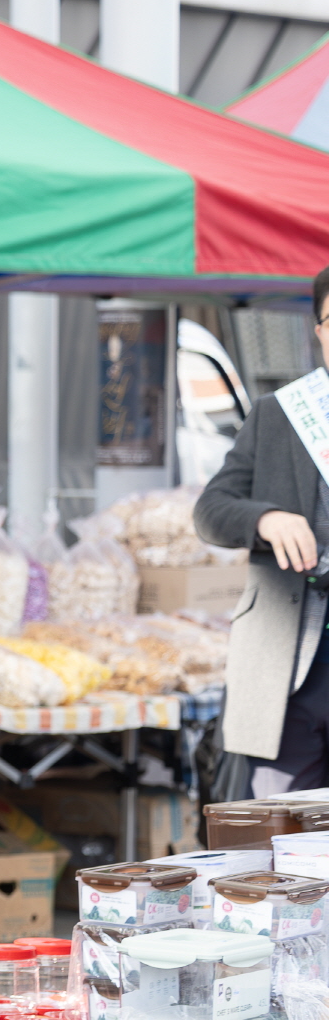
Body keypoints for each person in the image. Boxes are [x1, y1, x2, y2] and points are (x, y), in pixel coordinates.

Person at [197, 263, 329, 791]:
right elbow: (212, 508)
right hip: (287, 663)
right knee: (276, 842)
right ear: (319, 330)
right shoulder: (284, 413)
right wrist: (266, 519)